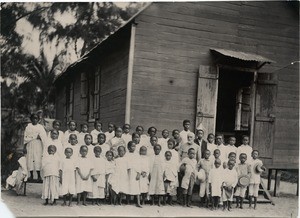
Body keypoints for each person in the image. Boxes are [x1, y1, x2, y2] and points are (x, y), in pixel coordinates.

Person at [24, 113, 47, 182]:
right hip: (30, 144)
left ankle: (39, 176)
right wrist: (24, 147)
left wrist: (40, 137)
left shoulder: (40, 127)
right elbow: (25, 137)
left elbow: (44, 136)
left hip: (38, 144)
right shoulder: (28, 127)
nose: (35, 120)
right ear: (31, 119)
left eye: (36, 118)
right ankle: (31, 175)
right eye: (33, 118)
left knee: (38, 159)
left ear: (38, 120)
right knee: (30, 159)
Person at [127, 141, 142, 207]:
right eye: (131, 146)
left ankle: (138, 202)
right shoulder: (126, 155)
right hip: (128, 172)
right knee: (128, 186)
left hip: (135, 172)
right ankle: (128, 201)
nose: (133, 148)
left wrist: (138, 173)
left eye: (134, 146)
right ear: (128, 147)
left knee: (136, 187)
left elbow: (139, 165)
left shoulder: (137, 155)